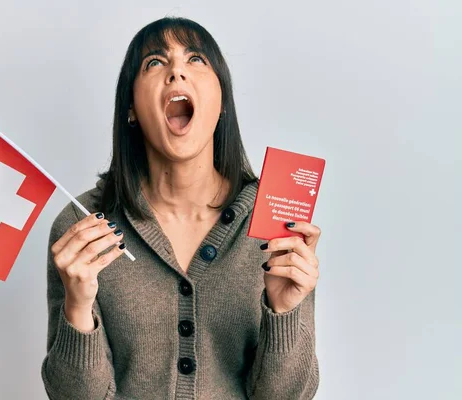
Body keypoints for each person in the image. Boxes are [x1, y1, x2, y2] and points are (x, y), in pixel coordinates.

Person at [41, 16, 321, 400]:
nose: (176, 72)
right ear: (131, 110)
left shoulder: (276, 220)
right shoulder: (82, 226)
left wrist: (284, 310)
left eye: (196, 60)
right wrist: (77, 308)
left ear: (222, 101)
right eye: (154, 63)